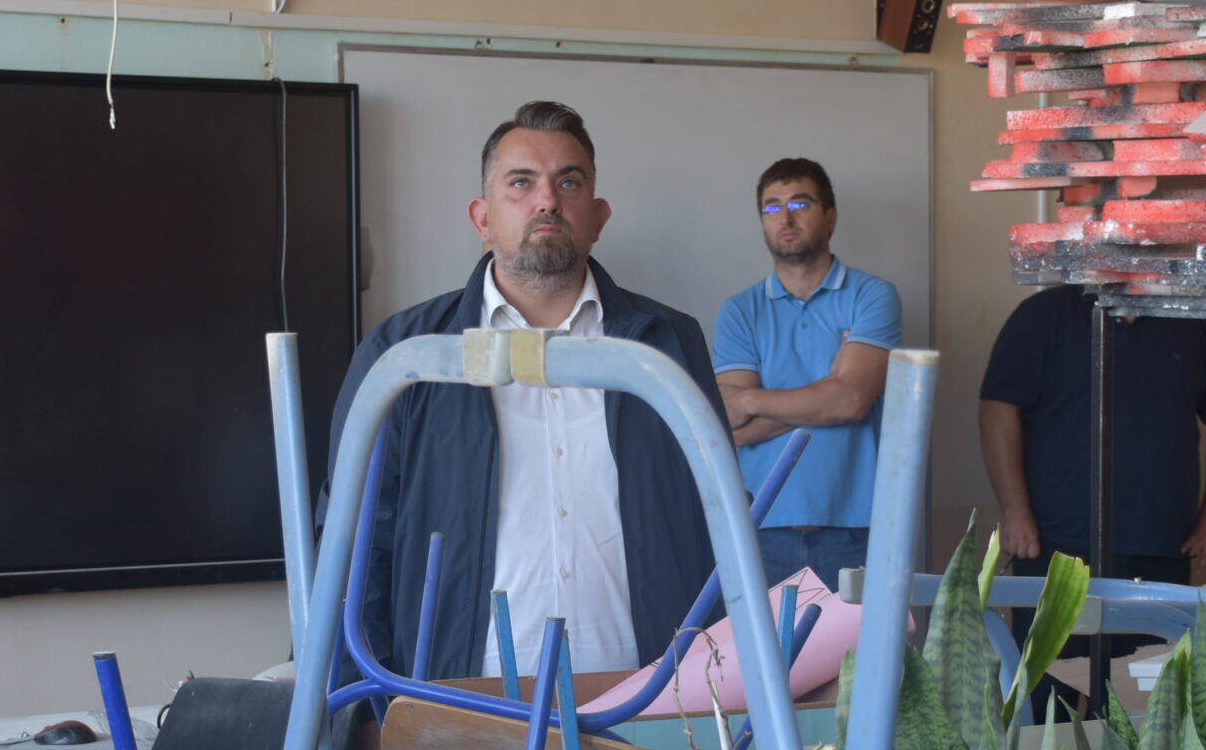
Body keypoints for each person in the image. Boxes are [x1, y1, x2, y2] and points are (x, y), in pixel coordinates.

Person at [330, 100, 727, 682]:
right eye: (521, 182)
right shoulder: (404, 354)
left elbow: (715, 524)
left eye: (569, 182)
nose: (547, 201)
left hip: (653, 692)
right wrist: (361, 710)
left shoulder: (668, 343)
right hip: (458, 694)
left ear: (598, 216)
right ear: (482, 218)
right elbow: (352, 545)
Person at [712, 157, 904, 588]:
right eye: (772, 207)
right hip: (759, 527)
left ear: (830, 218)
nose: (785, 218)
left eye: (800, 204)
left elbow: (851, 402)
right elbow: (733, 428)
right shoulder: (739, 311)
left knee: (860, 640)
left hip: (857, 528)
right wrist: (828, 392)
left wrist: (751, 399)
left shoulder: (872, 296)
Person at [977, 286, 1206, 583]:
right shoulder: (1042, 314)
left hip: (1164, 546)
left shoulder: (1190, 318)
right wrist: (1015, 510)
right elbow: (997, 410)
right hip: (1054, 545)